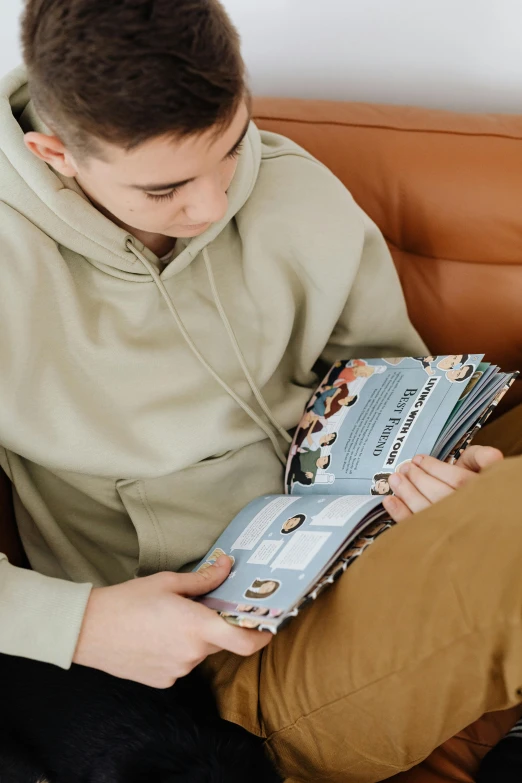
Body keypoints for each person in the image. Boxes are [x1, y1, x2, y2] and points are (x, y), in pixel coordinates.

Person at [0, 2, 521, 782]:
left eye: (233, 145)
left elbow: (390, 377)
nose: (213, 206)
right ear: (55, 154)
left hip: (374, 530)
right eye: (165, 187)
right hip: (234, 647)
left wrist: (448, 474)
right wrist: (77, 624)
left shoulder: (289, 186)